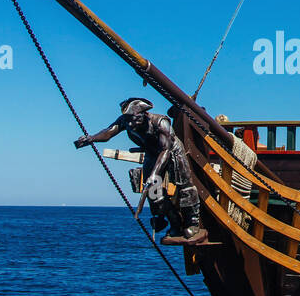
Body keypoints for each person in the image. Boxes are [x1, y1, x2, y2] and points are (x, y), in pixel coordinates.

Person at [74, 98, 208, 244]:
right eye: (128, 120)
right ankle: (175, 223)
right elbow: (108, 132)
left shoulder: (160, 122)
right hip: (152, 153)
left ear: (143, 115)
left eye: (135, 120)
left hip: (171, 152)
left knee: (185, 186)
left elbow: (165, 150)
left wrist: (155, 173)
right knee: (154, 192)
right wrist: (91, 139)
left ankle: (192, 224)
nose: (131, 124)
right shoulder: (126, 120)